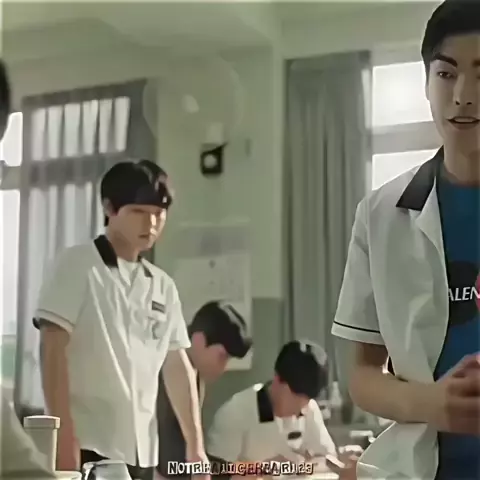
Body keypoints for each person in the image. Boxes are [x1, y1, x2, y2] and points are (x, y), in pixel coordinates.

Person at [331, 1, 480, 479]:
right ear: (427, 83)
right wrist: (431, 403)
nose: (464, 96)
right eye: (447, 74)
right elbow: (362, 375)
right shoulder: (381, 215)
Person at [35, 160, 208, 480]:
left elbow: (177, 367)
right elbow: (52, 349)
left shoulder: (162, 285)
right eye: (138, 212)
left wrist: (195, 446)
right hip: (89, 444)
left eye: (158, 213)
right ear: (109, 208)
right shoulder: (77, 265)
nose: (151, 223)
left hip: (143, 450)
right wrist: (63, 433)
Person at [206, 341, 359, 480]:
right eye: (295, 397)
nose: (301, 407)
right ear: (277, 379)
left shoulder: (309, 409)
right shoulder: (236, 412)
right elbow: (216, 472)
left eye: (307, 399)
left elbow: (325, 458)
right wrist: (262, 469)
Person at [156, 300, 252, 479]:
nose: (223, 367)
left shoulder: (196, 375)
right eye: (222, 357)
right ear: (199, 339)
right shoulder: (165, 365)